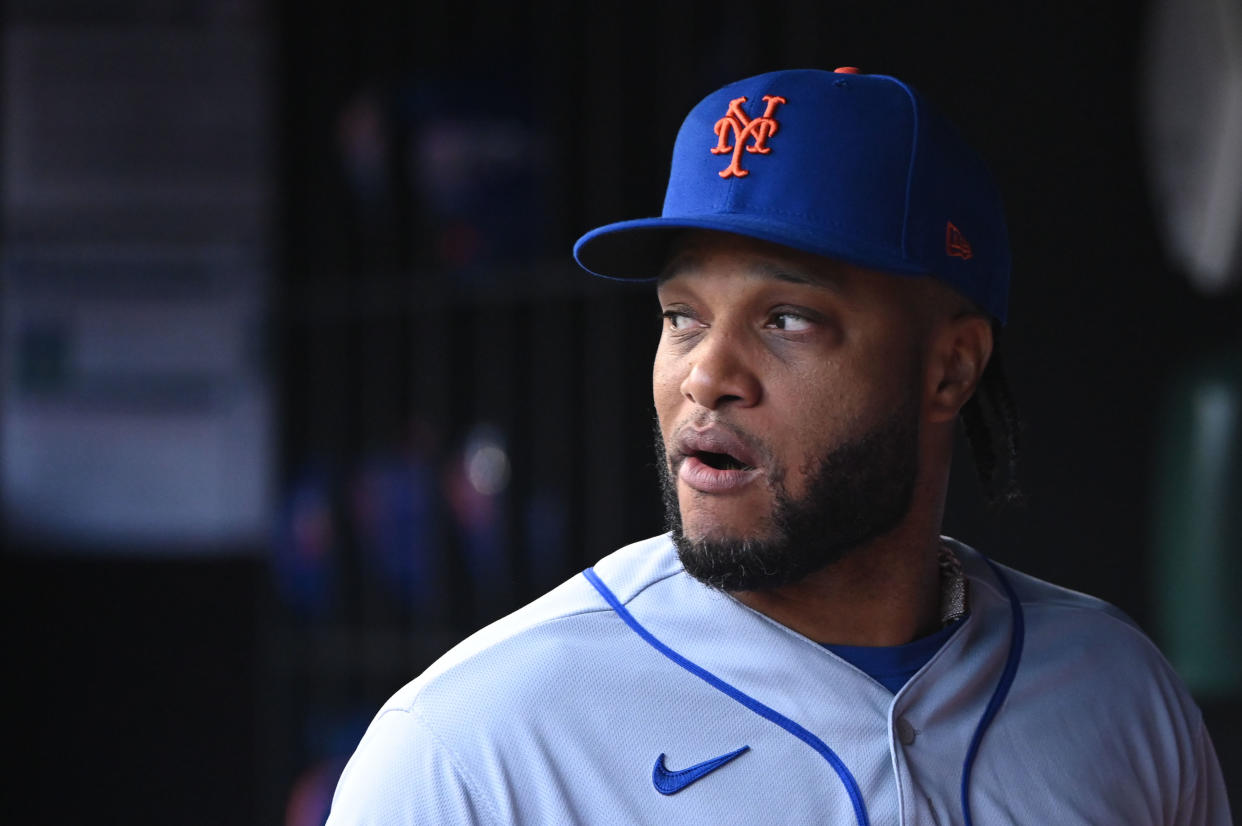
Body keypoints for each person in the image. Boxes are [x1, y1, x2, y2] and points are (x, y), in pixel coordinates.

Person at [326, 68, 1232, 825]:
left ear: (950, 371)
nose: (706, 375)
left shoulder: (1120, 698)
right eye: (682, 317)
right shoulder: (469, 752)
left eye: (788, 319)